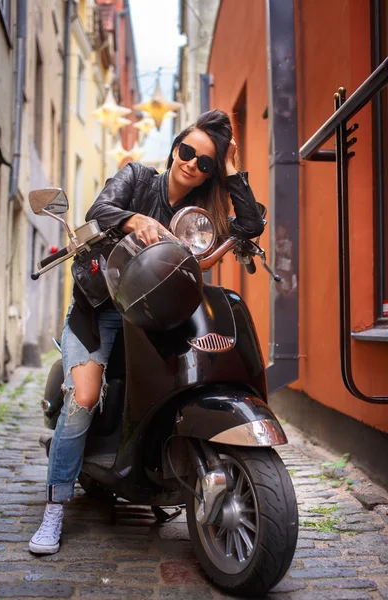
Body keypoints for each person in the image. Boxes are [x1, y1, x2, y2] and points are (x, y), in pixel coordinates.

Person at [29, 109, 265, 554]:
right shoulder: (138, 178)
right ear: (175, 148)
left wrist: (232, 168)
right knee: (82, 398)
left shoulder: (201, 215)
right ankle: (55, 508)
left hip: (163, 313)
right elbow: (99, 209)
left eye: (206, 162)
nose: (192, 163)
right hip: (103, 305)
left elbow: (249, 225)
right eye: (188, 151)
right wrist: (135, 221)